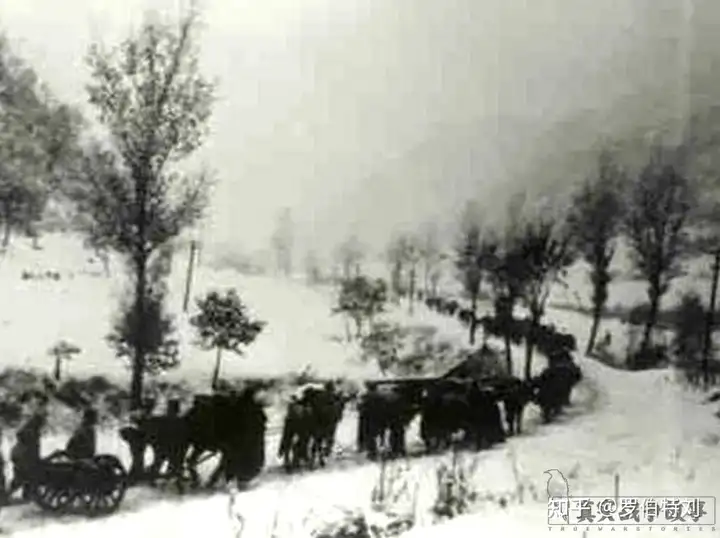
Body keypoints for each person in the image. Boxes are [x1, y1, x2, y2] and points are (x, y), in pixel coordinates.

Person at [9, 411, 47, 500]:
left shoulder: (30, 429)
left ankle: (27, 494)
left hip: (20, 455)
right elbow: (31, 447)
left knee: (24, 475)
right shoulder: (30, 431)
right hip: (23, 456)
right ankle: (27, 493)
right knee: (27, 475)